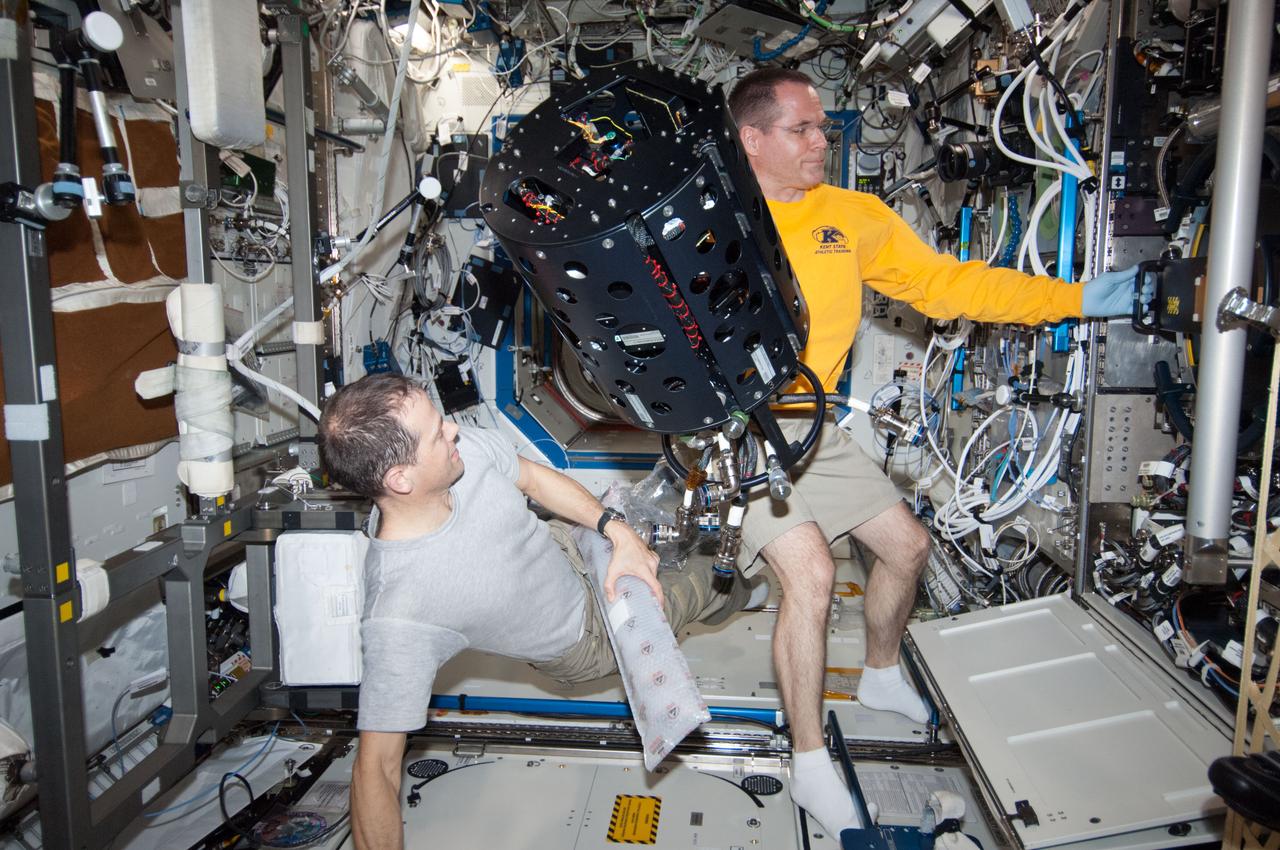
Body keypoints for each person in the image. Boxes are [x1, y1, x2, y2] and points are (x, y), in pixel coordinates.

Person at [726, 67, 1147, 835]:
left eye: (823, 126)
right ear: (753, 139)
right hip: (733, 431)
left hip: (810, 424)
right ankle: (809, 761)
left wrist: (1077, 300)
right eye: (803, 130)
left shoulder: (850, 216)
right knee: (813, 575)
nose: (824, 140)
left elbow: (950, 287)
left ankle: (881, 674)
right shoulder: (713, 219)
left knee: (908, 547)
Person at [319, 373, 758, 850]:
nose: (454, 431)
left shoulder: (458, 458)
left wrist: (616, 530)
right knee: (710, 573)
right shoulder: (400, 613)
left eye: (443, 420)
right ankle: (740, 596)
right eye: (436, 433)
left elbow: (531, 476)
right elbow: (376, 769)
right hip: (586, 637)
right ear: (400, 479)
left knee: (668, 528)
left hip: (567, 547)